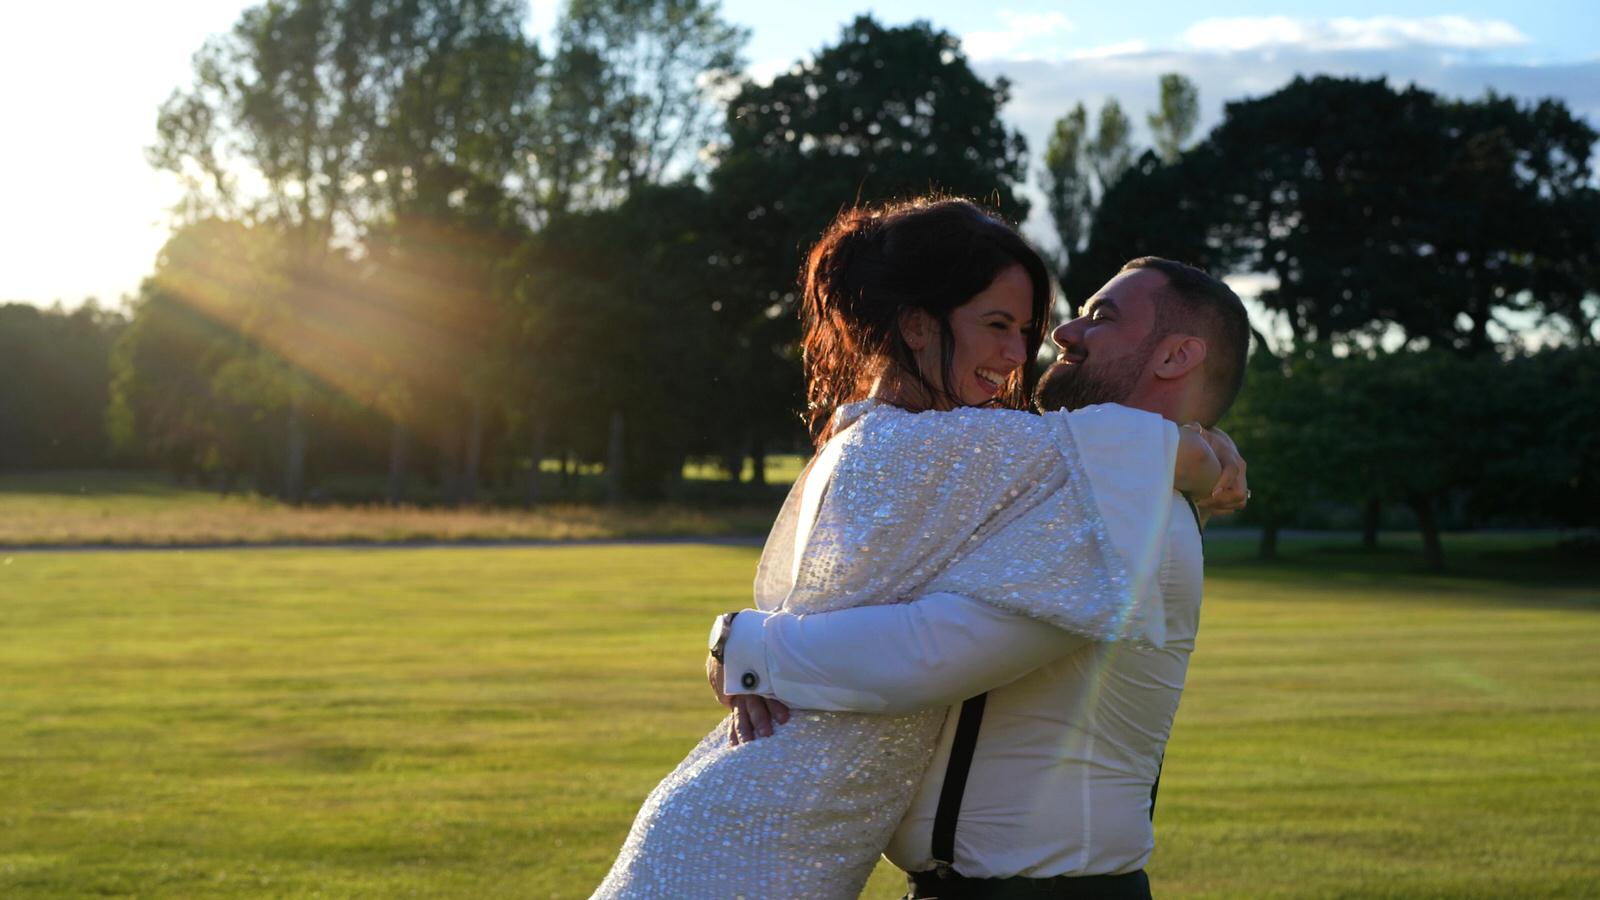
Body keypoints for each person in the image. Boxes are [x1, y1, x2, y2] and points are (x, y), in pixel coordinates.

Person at [592, 200, 1237, 899]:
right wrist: (1193, 455)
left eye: (1102, 316)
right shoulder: (991, 465)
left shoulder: (1124, 510)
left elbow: (929, 654)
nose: (1059, 336)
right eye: (1007, 325)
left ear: (1176, 354)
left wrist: (748, 648)